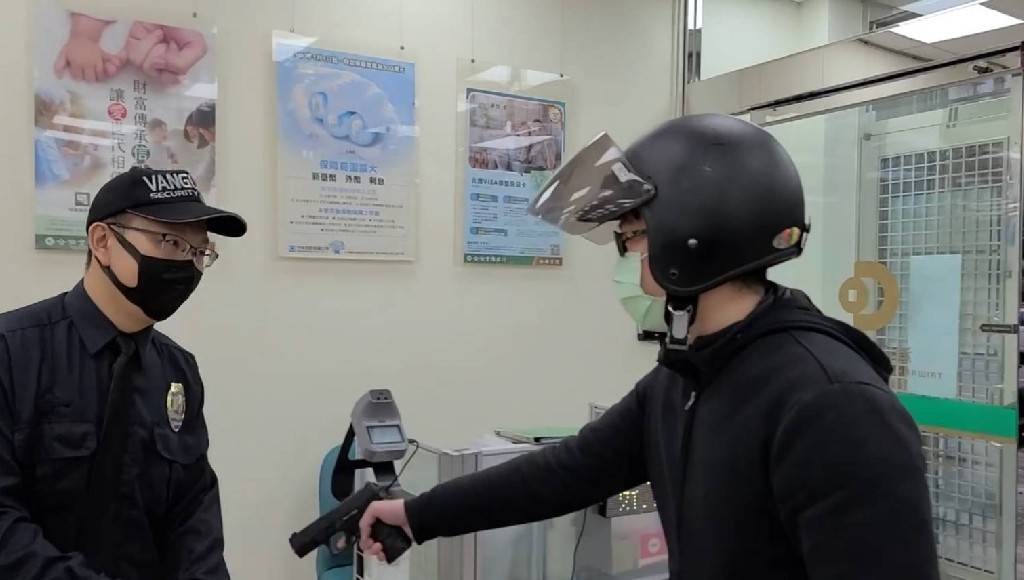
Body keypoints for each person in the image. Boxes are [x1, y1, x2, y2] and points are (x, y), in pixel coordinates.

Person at [358, 114, 940, 579]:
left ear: (694, 236)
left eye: (633, 237)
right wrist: (418, 515)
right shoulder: (687, 377)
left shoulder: (832, 404)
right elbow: (569, 470)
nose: (628, 261)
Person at [0, 167, 247, 580]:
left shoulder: (178, 370)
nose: (185, 264)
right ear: (102, 242)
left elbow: (194, 517)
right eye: (170, 242)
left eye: (198, 252)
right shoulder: (13, 351)